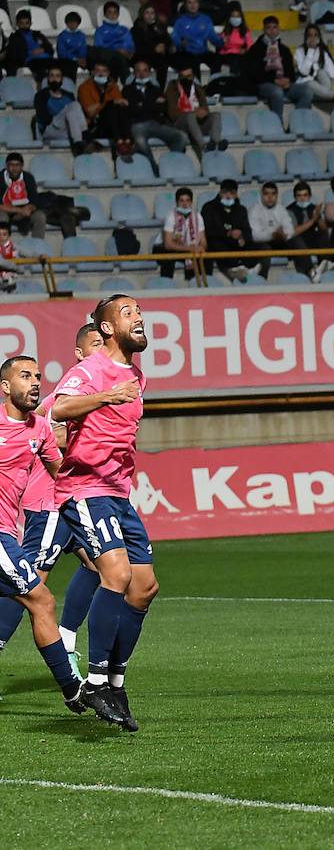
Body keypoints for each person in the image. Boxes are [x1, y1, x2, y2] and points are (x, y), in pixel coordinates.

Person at [53, 295, 162, 731]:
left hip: (118, 493)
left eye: (139, 311)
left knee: (144, 587)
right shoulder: (90, 371)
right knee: (114, 576)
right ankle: (95, 680)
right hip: (84, 489)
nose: (138, 318)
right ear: (107, 329)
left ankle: (115, 680)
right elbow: (56, 409)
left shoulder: (137, 375)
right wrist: (105, 396)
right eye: (128, 313)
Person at [6, 327, 105, 679]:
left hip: (74, 498)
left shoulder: (98, 390)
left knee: (99, 566)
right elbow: (52, 434)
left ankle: (65, 637)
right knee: (30, 585)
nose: (104, 349)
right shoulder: (67, 395)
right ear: (79, 353)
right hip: (49, 500)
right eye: (97, 344)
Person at [0, 356, 88, 717]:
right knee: (42, 600)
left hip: (8, 529)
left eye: (37, 376)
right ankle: (73, 690)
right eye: (25, 376)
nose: (34, 382)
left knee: (39, 600)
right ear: (6, 387)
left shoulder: (39, 429)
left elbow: (61, 474)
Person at [202, 179, 262, 282]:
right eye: (225, 192)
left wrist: (243, 237)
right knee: (216, 244)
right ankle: (236, 268)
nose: (228, 196)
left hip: (236, 242)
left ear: (236, 194)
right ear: (220, 192)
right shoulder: (209, 207)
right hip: (218, 241)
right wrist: (228, 233)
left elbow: (247, 230)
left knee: (254, 246)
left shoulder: (241, 209)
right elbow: (207, 230)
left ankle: (247, 269)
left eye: (232, 193)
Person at [249, 182, 310, 278]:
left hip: (279, 240)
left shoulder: (281, 209)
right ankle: (261, 280)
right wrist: (272, 234)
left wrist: (284, 235)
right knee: (265, 249)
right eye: (266, 194)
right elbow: (254, 235)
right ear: (261, 195)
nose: (270, 197)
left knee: (297, 241)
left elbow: (290, 230)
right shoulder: (254, 210)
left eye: (273, 194)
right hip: (261, 243)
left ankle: (310, 272)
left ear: (277, 195)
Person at [76, 61, 135, 161]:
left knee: (120, 108)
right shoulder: (84, 87)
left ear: (108, 73)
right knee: (110, 106)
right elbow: (90, 112)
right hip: (96, 126)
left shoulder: (112, 86)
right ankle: (121, 141)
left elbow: (120, 105)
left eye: (104, 71)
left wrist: (114, 103)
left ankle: (125, 140)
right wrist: (107, 103)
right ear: (93, 73)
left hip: (113, 125)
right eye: (97, 71)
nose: (100, 74)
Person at [165, 64, 224, 159]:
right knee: (190, 116)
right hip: (180, 124)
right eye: (182, 77)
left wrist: (203, 112)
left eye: (188, 76)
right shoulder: (172, 87)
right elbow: (172, 113)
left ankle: (216, 142)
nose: (186, 79)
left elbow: (205, 109)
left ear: (193, 76)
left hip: (197, 123)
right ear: (179, 77)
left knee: (216, 115)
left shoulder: (198, 89)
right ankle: (203, 146)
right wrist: (192, 112)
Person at [293, 24, 334, 108]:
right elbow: (304, 72)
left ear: (319, 37)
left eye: (315, 35)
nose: (312, 38)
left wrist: (319, 68)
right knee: (310, 82)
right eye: (310, 35)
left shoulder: (322, 51)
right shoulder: (299, 51)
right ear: (306, 37)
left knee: (321, 72)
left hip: (321, 90)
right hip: (304, 85)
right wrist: (310, 51)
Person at [153, 187, 205, 280]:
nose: (185, 204)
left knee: (201, 256)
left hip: (186, 248)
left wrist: (201, 248)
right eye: (181, 201)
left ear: (191, 202)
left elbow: (203, 240)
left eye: (187, 200)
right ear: (176, 202)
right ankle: (167, 284)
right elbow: (168, 244)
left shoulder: (197, 216)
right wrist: (190, 249)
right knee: (169, 256)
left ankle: (196, 285)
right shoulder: (171, 216)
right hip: (162, 248)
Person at [35, 68, 88, 155]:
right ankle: (82, 139)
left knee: (75, 105)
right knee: (70, 108)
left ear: (62, 79)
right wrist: (63, 114)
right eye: (51, 76)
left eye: (57, 76)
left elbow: (76, 115)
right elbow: (43, 118)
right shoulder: (41, 95)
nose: (54, 79)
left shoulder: (69, 95)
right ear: (48, 79)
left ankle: (79, 140)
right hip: (51, 128)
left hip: (69, 130)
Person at [285, 182, 331, 282]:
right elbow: (294, 232)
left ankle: (325, 264)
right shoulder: (289, 210)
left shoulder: (314, 208)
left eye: (305, 195)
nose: (302, 198)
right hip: (296, 241)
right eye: (299, 196)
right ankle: (311, 271)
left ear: (309, 196)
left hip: (310, 238)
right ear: (295, 197)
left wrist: (318, 217)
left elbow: (324, 230)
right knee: (297, 240)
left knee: (322, 236)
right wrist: (312, 220)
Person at [1, 153, 48, 240]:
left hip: (25, 210)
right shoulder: (0, 178)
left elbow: (35, 200)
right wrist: (19, 210)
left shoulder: (28, 177)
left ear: (22, 166)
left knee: (40, 216)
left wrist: (29, 208)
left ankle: (37, 246)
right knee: (1, 217)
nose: (14, 168)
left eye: (17, 165)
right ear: (6, 166)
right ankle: (4, 247)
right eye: (11, 165)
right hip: (7, 210)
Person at [2, 9, 57, 80]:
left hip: (45, 58)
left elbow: (50, 48)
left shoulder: (37, 34)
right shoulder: (14, 37)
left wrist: (43, 50)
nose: (24, 26)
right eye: (21, 23)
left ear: (31, 23)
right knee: (40, 68)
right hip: (30, 60)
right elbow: (14, 55)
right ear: (17, 24)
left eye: (27, 23)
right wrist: (31, 53)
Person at [90, 1, 135, 84]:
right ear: (105, 14)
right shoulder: (100, 31)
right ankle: (128, 83)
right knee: (116, 60)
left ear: (118, 14)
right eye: (109, 12)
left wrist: (126, 51)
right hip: (108, 58)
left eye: (115, 12)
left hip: (124, 57)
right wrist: (116, 50)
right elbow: (99, 48)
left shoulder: (124, 30)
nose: (112, 15)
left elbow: (129, 45)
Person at [132, 4, 173, 83]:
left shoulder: (160, 26)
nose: (150, 15)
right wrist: (154, 49)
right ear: (142, 14)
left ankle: (160, 91)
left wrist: (164, 47)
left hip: (157, 56)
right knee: (142, 66)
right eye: (147, 13)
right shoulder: (137, 27)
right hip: (142, 55)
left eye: (152, 13)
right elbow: (138, 46)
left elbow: (167, 41)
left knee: (163, 65)